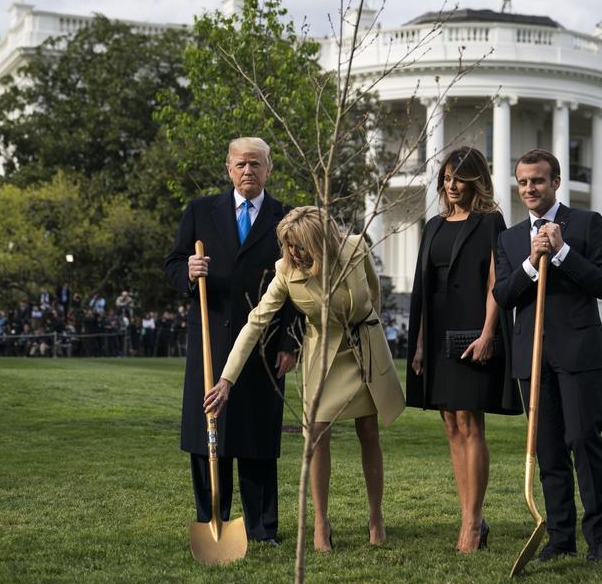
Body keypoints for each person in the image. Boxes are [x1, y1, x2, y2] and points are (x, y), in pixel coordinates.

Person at [205, 207, 405, 551]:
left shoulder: (356, 249)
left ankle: (376, 517)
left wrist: (368, 325)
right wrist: (226, 380)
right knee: (315, 434)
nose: (293, 253)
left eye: (299, 246)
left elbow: (374, 294)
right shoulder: (285, 272)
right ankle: (320, 524)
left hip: (364, 347)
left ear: (320, 240)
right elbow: (255, 324)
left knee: (369, 429)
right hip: (323, 354)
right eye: (287, 246)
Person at [164, 136, 299, 546]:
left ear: (269, 169)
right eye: (241, 164)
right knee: (210, 433)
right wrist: (188, 270)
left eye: (256, 164)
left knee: (256, 437)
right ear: (228, 168)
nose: (248, 171)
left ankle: (261, 530)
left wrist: (290, 342)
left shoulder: (285, 217)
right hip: (211, 337)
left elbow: (298, 282)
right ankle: (211, 521)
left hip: (264, 345)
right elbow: (171, 266)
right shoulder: (200, 211)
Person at [494, 149, 602, 563]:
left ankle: (598, 539)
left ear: (556, 182)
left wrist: (562, 253)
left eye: (539, 181)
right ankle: (559, 537)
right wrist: (531, 262)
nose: (530, 188)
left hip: (578, 351)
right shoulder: (510, 239)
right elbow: (503, 295)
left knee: (583, 441)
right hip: (532, 356)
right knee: (547, 450)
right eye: (524, 182)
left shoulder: (585, 223)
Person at [406, 147, 522, 553]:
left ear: (476, 181)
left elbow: (497, 279)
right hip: (436, 332)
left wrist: (490, 333)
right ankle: (470, 516)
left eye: (460, 179)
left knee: (471, 423)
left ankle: (472, 524)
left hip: (473, 329)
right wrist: (418, 343)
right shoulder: (434, 224)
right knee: (450, 424)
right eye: (447, 178)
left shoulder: (491, 222)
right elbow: (422, 287)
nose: (452, 186)